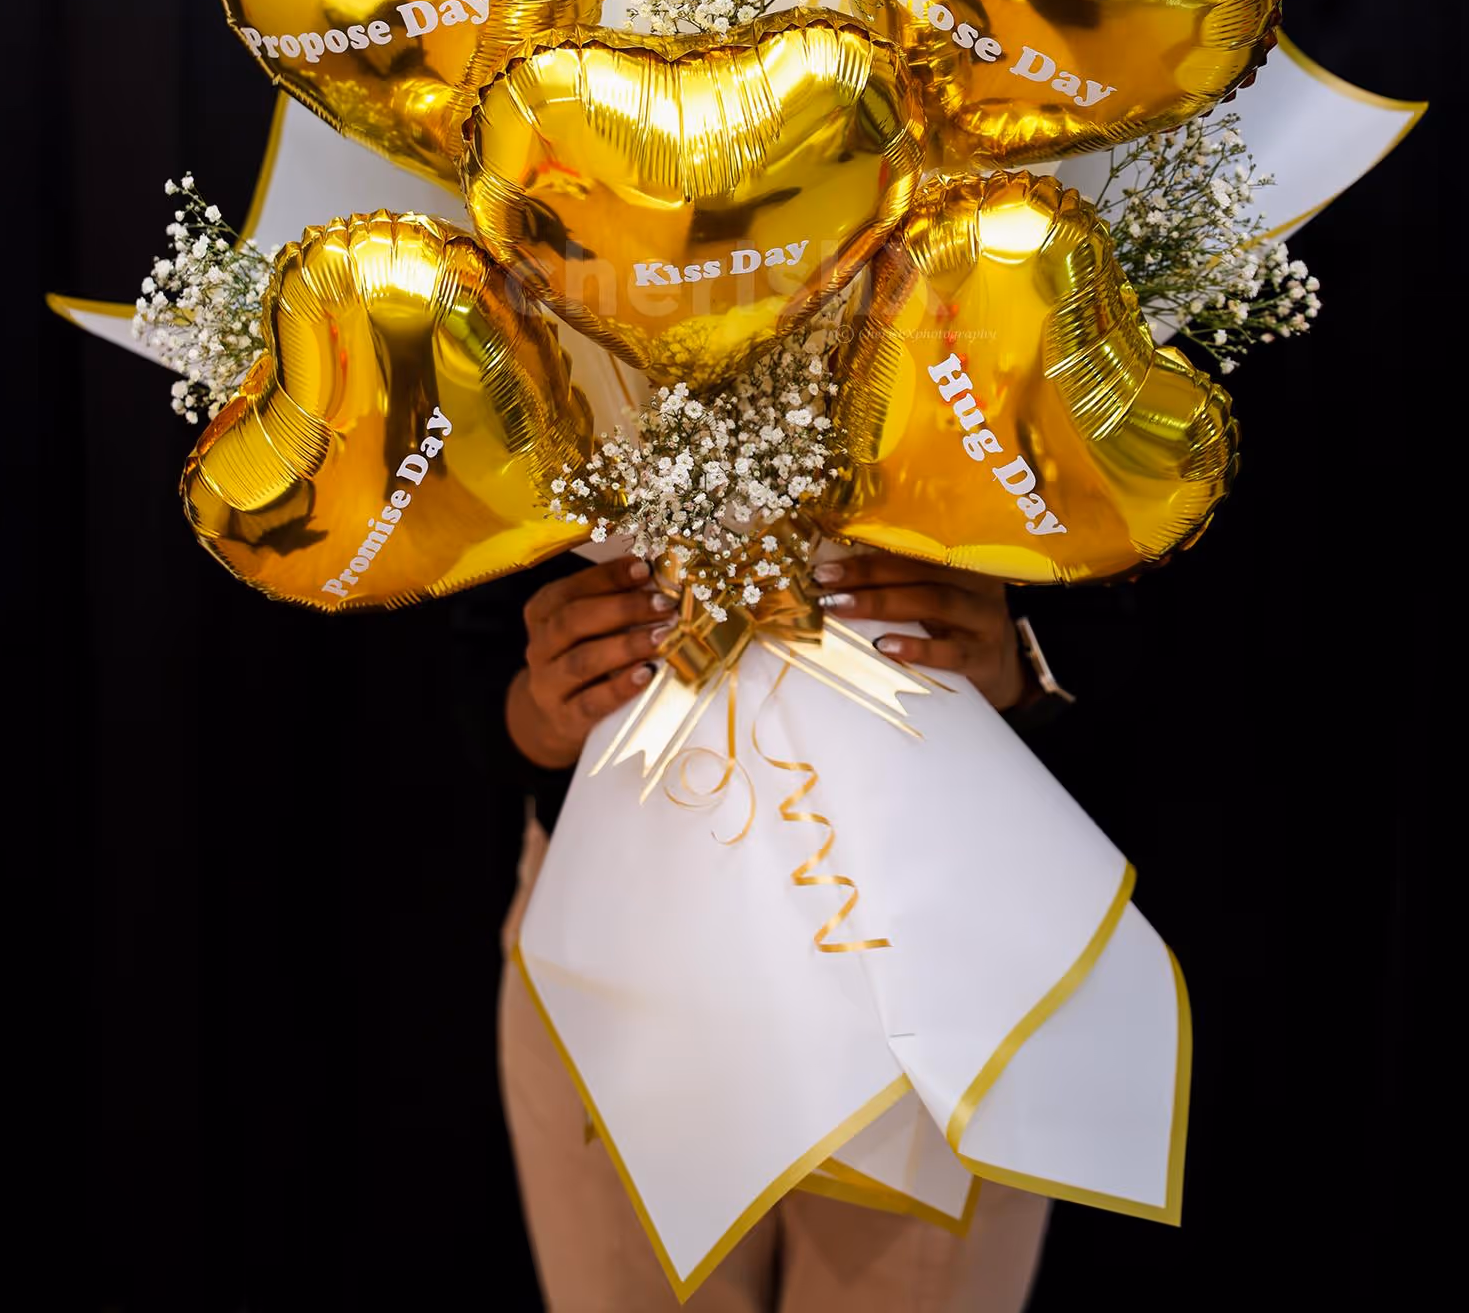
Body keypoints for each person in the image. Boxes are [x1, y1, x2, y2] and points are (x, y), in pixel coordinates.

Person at [448, 545, 1078, 1313]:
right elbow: (467, 623)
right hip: (617, 912)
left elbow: (1130, 555)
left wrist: (1020, 659)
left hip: (933, 918)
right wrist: (545, 701)